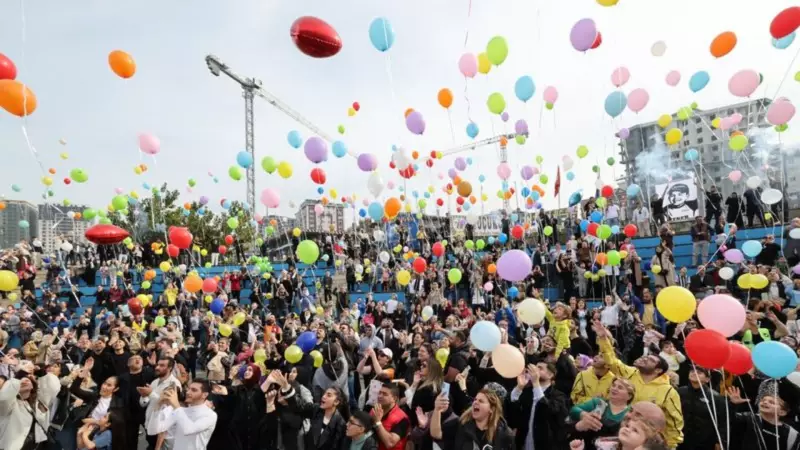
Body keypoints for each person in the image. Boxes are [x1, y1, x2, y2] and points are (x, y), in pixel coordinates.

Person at [593, 321, 683, 449]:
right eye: (647, 356)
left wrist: (671, 446)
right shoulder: (630, 374)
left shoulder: (668, 392)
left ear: (658, 370)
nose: (646, 358)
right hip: (627, 436)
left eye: (651, 360)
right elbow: (611, 361)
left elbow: (675, 422)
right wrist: (603, 338)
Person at [429, 387, 514, 450]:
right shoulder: (461, 424)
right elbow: (436, 434)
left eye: (481, 401)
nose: (475, 402)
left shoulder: (505, 434)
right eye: (475, 400)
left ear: (491, 409)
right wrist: (437, 410)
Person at [508, 363, 569, 450]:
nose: (535, 371)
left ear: (550, 375)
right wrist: (519, 387)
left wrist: (536, 383)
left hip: (545, 444)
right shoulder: (527, 391)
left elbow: (550, 410)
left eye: (540, 368)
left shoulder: (558, 395)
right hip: (524, 442)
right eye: (535, 367)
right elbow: (514, 414)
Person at [157, 379, 217, 450]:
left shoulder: (210, 415)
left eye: (194, 390)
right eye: (188, 389)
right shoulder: (181, 410)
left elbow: (188, 430)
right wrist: (156, 404)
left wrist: (176, 405)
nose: (188, 392)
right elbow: (158, 428)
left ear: (204, 395)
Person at [371, 382, 410, 450]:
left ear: (394, 398)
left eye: (384, 394)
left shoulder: (402, 418)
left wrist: (378, 422)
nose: (380, 396)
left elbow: (390, 443)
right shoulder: (374, 410)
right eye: (379, 393)